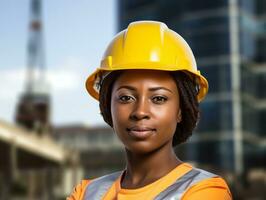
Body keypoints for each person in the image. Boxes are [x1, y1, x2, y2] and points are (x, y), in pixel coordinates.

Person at [67, 20, 232, 200]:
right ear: (108, 105)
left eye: (158, 98)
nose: (140, 111)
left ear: (180, 110)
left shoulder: (206, 190)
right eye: (125, 98)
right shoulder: (86, 192)